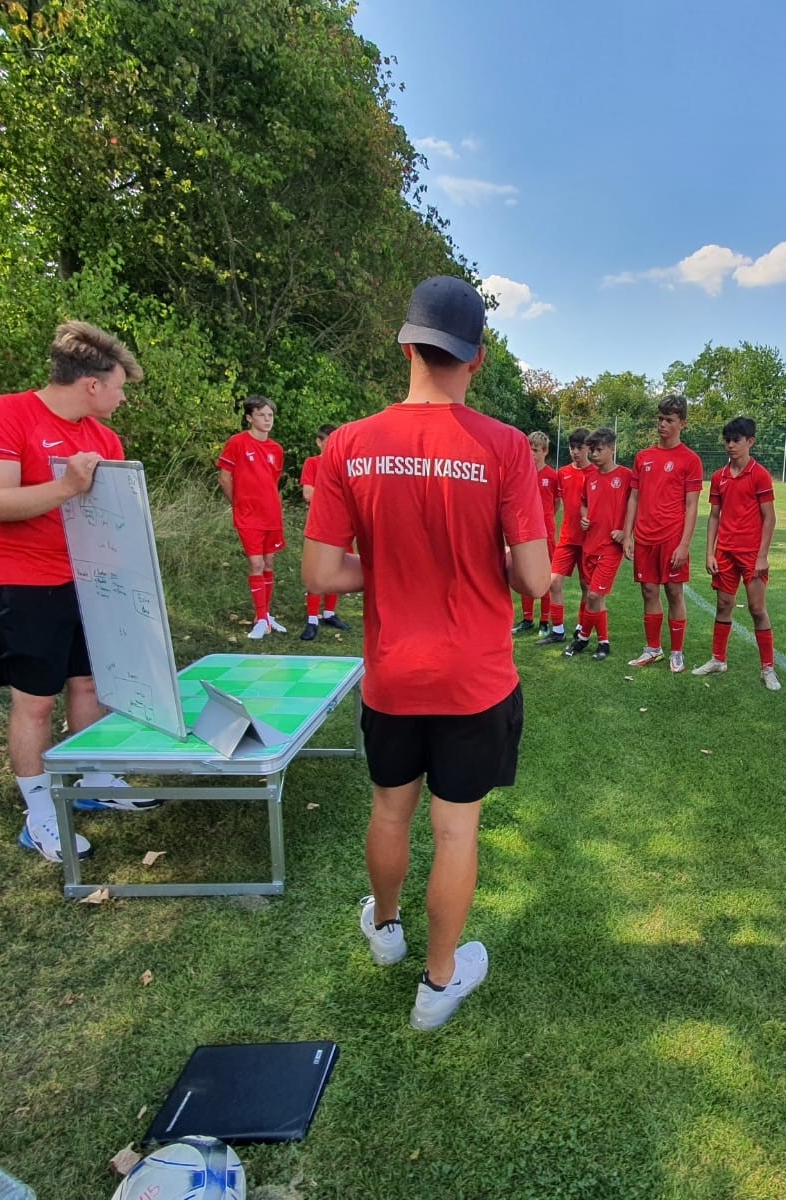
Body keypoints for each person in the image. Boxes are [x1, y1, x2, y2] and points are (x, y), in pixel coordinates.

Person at [303, 275, 549, 1031]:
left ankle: (385, 929)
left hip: (393, 675)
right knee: (456, 830)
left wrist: (394, 564)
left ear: (405, 345)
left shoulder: (348, 444)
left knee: (389, 812)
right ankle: (437, 984)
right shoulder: (506, 446)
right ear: (476, 358)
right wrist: (476, 563)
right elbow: (535, 579)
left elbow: (319, 574)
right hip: (474, 678)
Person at [0, 320, 157, 863]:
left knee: (92, 683)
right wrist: (67, 485)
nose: (123, 398)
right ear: (92, 385)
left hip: (90, 580)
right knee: (36, 700)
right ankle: (40, 811)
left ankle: (92, 777)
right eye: (119, 388)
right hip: (20, 582)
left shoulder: (103, 438)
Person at [693, 417, 780, 689]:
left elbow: (769, 517)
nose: (730, 445)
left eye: (736, 440)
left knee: (757, 608)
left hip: (751, 554)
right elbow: (714, 516)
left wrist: (762, 556)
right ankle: (718, 659)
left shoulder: (759, 475)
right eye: (727, 440)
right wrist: (710, 553)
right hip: (725, 553)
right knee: (723, 605)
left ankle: (768, 668)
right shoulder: (719, 477)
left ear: (750, 442)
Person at [625, 395, 704, 673]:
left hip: (672, 538)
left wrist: (684, 545)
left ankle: (677, 652)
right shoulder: (643, 457)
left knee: (673, 592)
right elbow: (634, 497)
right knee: (648, 591)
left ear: (682, 424)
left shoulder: (690, 460)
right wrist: (628, 534)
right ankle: (653, 649)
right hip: (644, 537)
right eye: (660, 419)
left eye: (669, 420)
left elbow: (692, 506)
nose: (662, 424)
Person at [218, 397, 288, 640]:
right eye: (261, 415)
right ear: (249, 417)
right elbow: (224, 478)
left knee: (269, 563)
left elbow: (272, 481)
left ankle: (266, 615)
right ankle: (260, 618)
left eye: (270, 415)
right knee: (256, 564)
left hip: (271, 514)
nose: (267, 420)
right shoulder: (237, 443)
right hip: (249, 516)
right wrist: (238, 505)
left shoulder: (276, 449)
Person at [563, 428, 635, 662]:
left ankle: (583, 637)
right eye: (592, 450)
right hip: (590, 544)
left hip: (610, 547)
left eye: (598, 450)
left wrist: (625, 532)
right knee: (597, 596)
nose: (593, 454)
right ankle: (603, 642)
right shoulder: (590, 477)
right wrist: (584, 517)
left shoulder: (625, 476)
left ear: (612, 449)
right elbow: (584, 503)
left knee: (593, 595)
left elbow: (636, 505)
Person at [537, 427, 594, 646]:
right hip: (567, 539)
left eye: (579, 447)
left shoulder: (596, 473)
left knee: (586, 586)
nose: (575, 452)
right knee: (554, 583)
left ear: (588, 448)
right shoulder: (563, 473)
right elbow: (556, 501)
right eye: (572, 447)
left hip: (589, 540)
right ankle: (558, 630)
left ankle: (581, 627)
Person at [299, 423, 351, 641]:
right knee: (318, 570)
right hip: (321, 525)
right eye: (328, 442)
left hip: (344, 525)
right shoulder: (313, 463)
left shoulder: (345, 465)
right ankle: (312, 618)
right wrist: (334, 495)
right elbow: (308, 493)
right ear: (319, 442)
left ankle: (329, 613)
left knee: (338, 569)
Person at [513, 431, 561, 636]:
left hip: (546, 532)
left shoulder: (552, 476)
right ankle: (527, 618)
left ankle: (544, 620)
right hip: (526, 530)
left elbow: (557, 502)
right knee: (525, 573)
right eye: (529, 449)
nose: (531, 453)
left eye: (535, 450)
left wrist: (545, 519)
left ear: (545, 452)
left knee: (545, 575)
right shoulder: (522, 473)